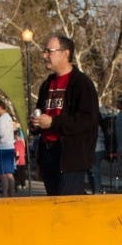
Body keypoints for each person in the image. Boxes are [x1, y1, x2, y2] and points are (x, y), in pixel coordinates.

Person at [29, 33, 100, 196]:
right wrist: (36, 123)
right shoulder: (47, 84)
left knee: (68, 206)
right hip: (49, 155)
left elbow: (87, 120)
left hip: (71, 158)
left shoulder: (81, 84)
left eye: (49, 51)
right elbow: (42, 115)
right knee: (54, 206)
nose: (44, 55)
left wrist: (53, 123)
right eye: (44, 51)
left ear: (65, 53)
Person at [0, 100, 16, 196]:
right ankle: (12, 194)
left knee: (3, 173)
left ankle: (5, 195)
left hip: (2, 148)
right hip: (10, 147)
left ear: (0, 107)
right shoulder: (8, 117)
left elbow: (1, 134)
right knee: (9, 173)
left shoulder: (2, 119)